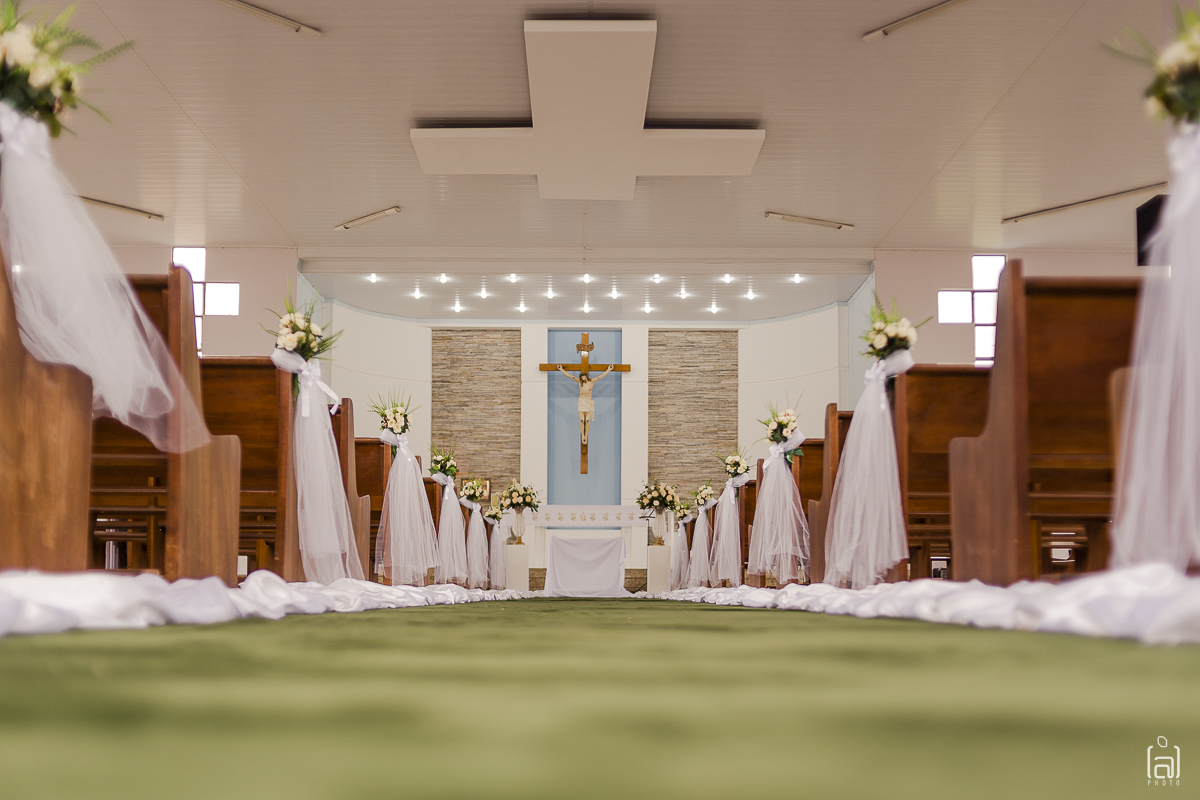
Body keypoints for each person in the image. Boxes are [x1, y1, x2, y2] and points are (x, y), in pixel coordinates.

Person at [557, 364, 613, 445]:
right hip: (581, 402)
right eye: (582, 378)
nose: (583, 379)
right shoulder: (579, 382)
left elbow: (601, 376)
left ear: (586, 377)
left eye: (584, 377)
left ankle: (586, 435)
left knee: (587, 420)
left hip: (588, 402)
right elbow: (570, 376)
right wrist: (561, 370)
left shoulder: (592, 381)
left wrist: (608, 370)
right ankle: (582, 436)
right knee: (582, 420)